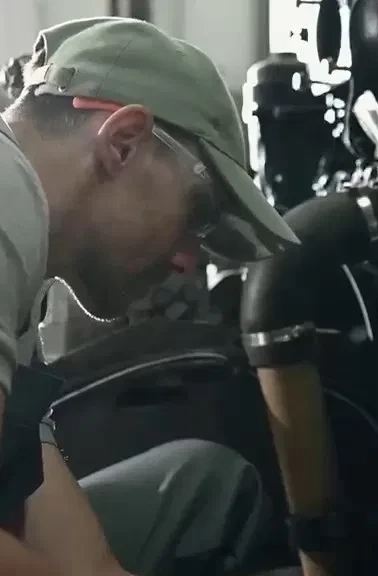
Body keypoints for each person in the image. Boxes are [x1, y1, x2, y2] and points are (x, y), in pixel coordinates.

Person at [0, 16, 302, 576]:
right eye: (199, 213)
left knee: (206, 485)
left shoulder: (26, 276)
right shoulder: (5, 198)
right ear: (123, 143)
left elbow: (35, 493)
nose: (189, 260)